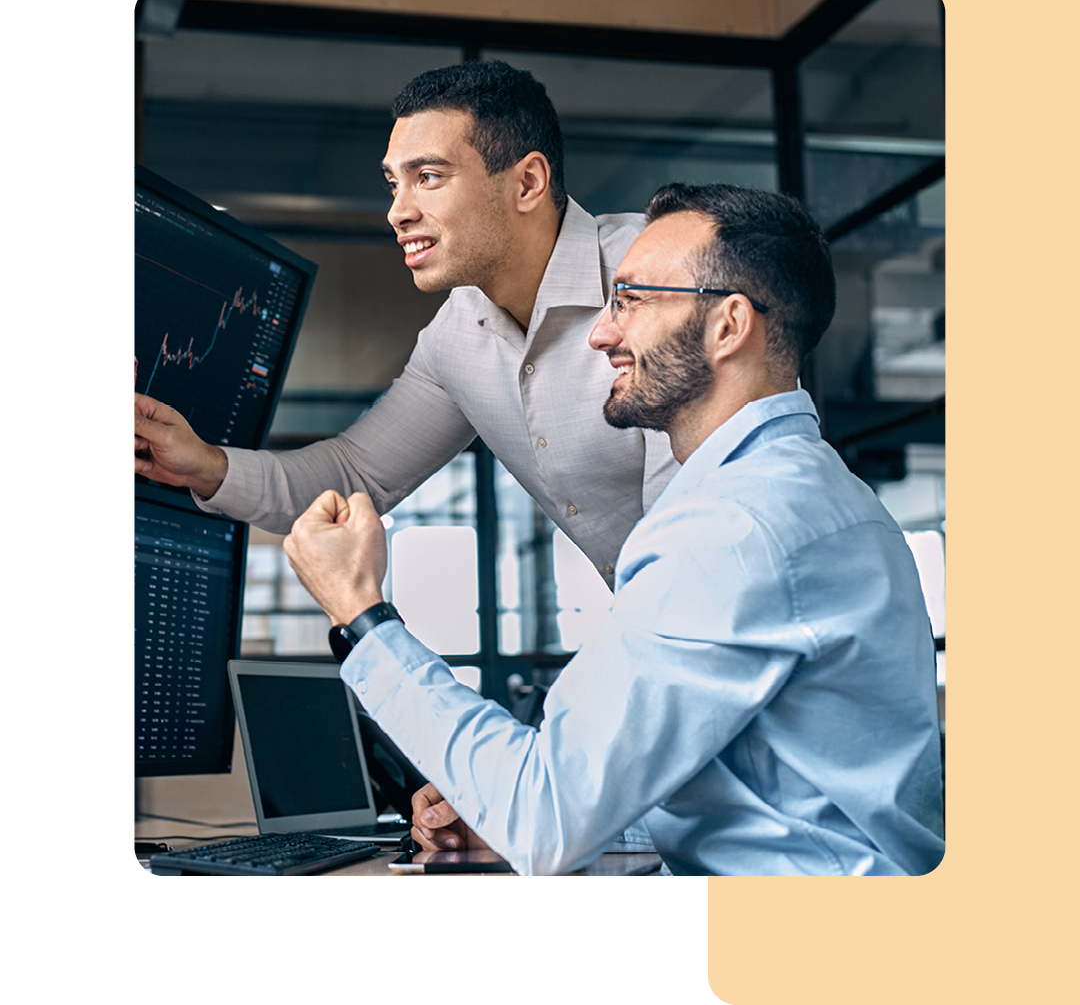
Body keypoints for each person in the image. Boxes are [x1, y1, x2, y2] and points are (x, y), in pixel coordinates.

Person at [283, 182, 947, 877]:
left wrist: (361, 615)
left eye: (629, 301)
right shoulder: (822, 494)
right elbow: (769, 809)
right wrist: (570, 826)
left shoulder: (736, 526)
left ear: (728, 325)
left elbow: (544, 816)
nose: (601, 333)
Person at [133, 59, 677, 590]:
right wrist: (201, 465)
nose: (397, 211)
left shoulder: (663, 278)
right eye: (395, 183)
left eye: (429, 177)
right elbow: (354, 476)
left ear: (528, 183)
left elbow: (686, 532)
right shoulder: (455, 337)